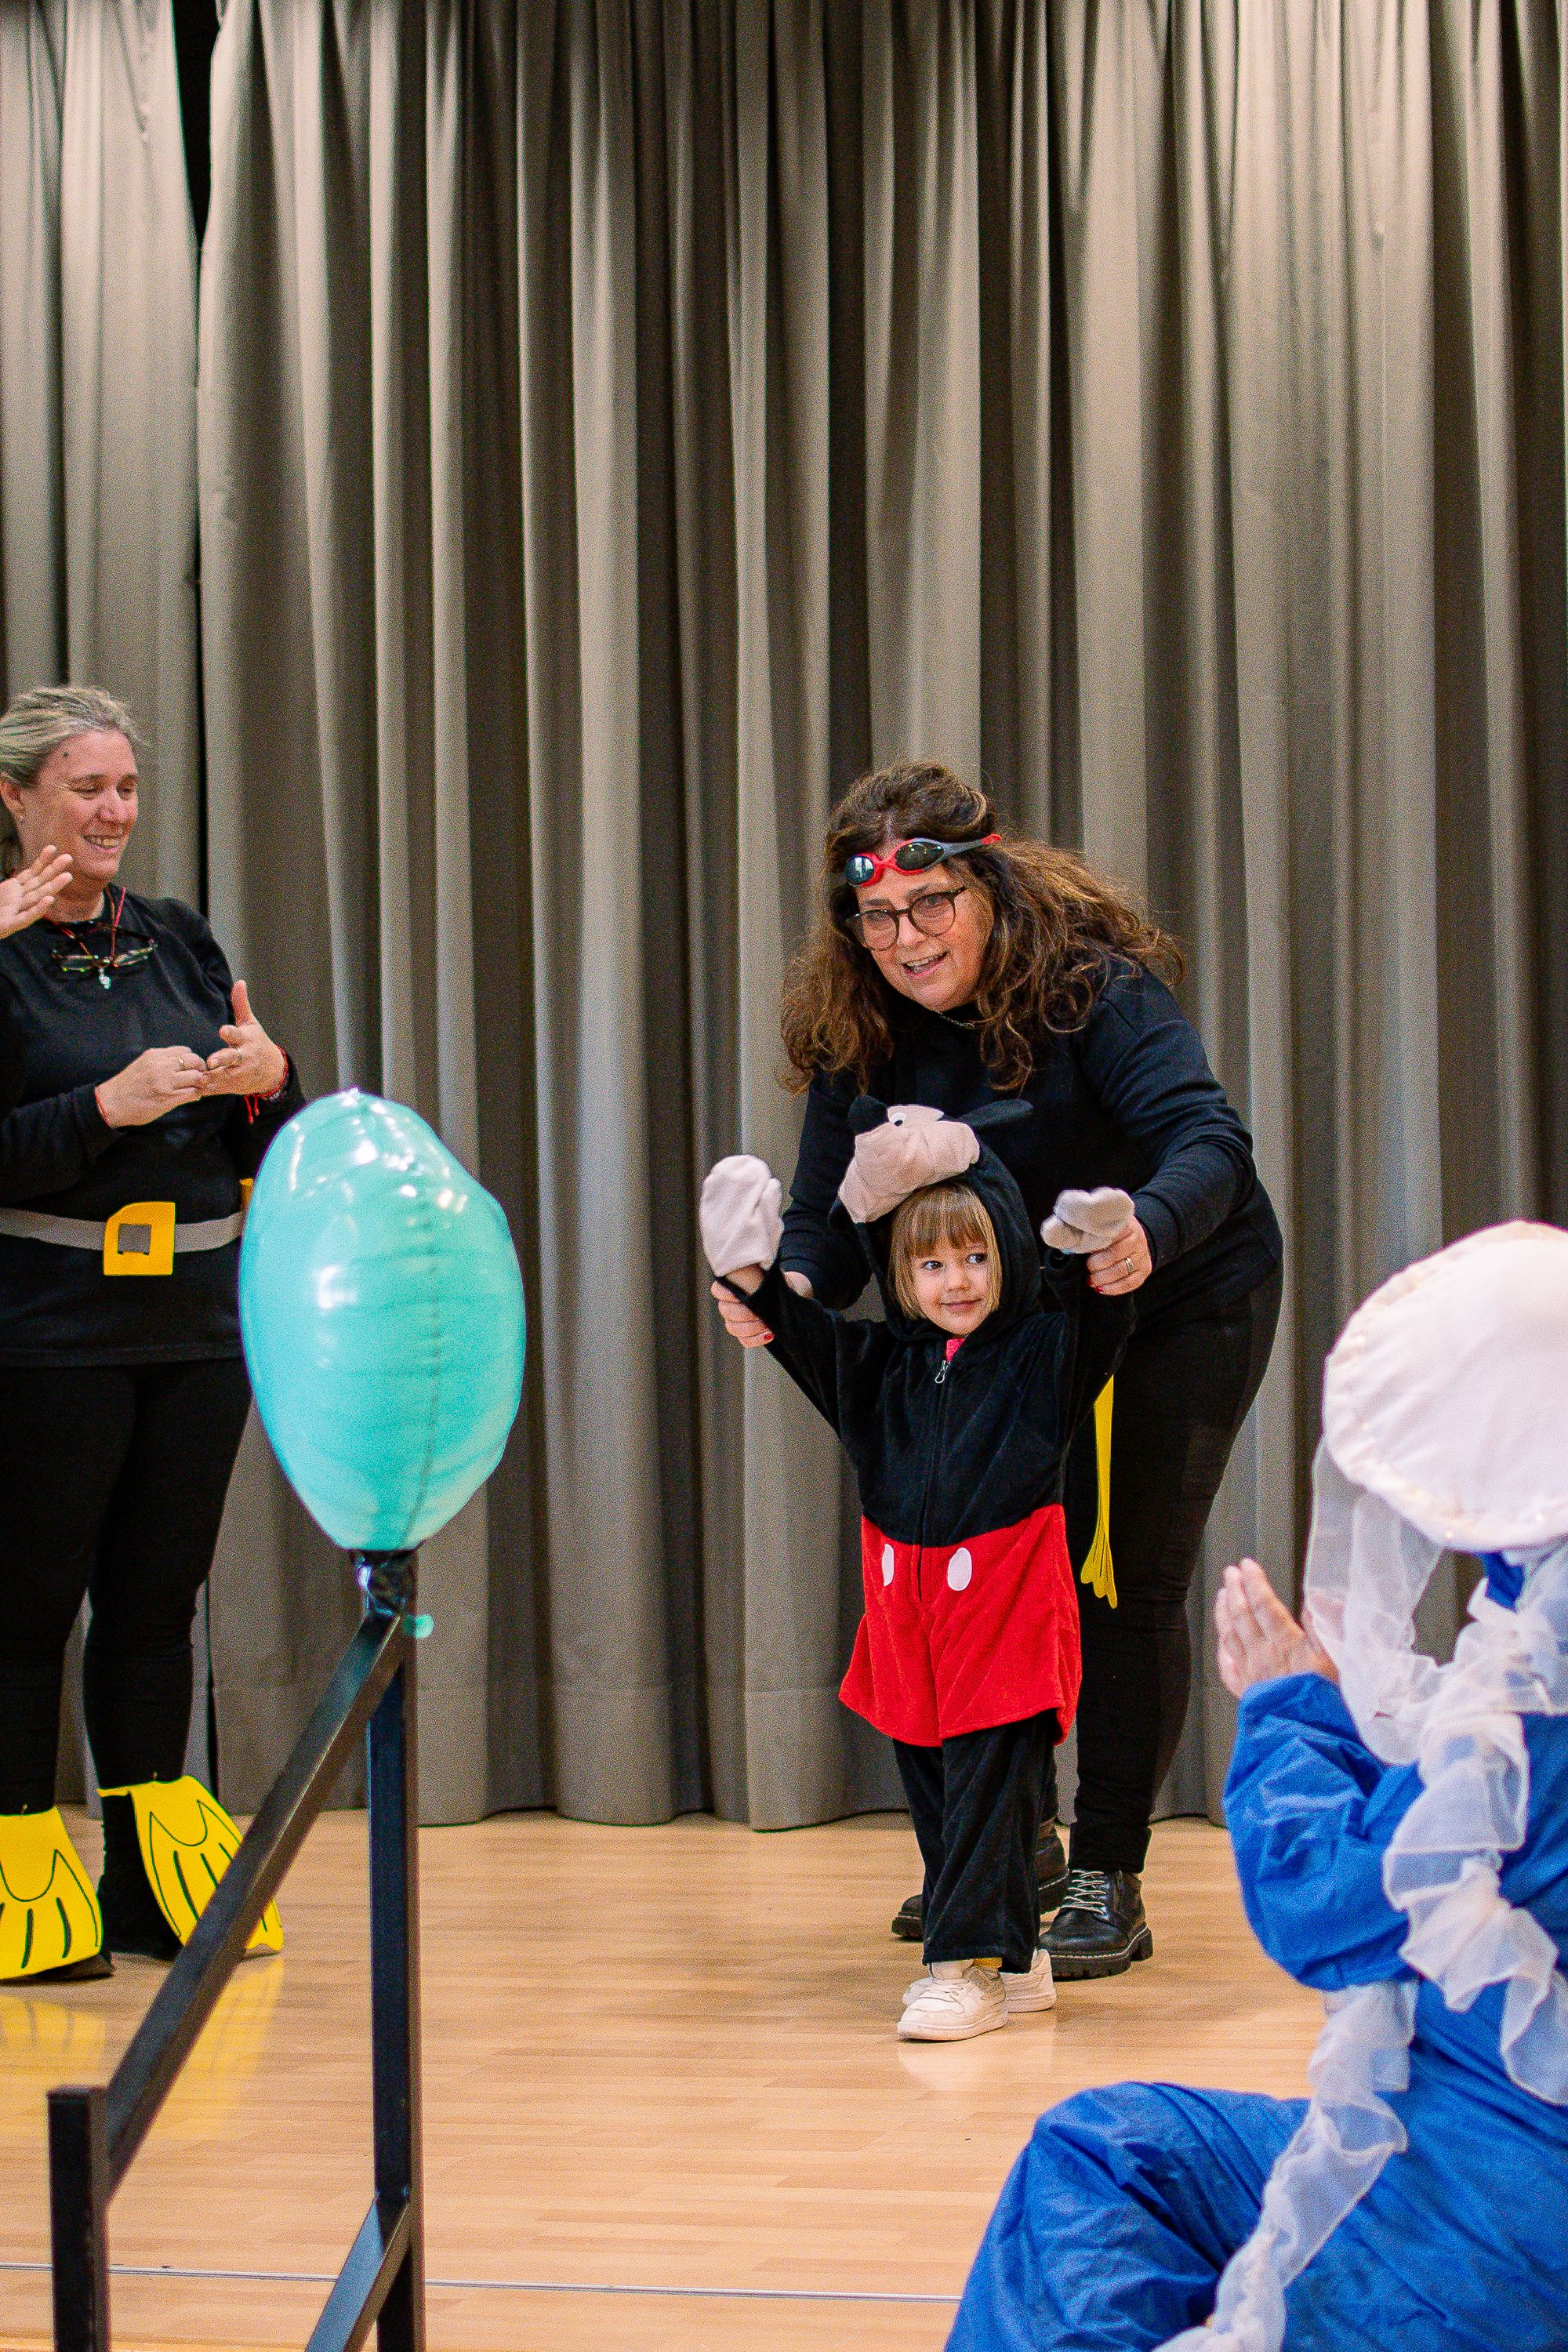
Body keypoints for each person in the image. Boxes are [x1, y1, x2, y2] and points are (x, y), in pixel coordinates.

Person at [949, 1219, 1568, 2351]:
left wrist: (1287, 1712)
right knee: (1115, 2149)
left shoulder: (1538, 1695)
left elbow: (1325, 1907)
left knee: (1101, 2174)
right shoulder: (1538, 1630)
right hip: (1507, 2139)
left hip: (1492, 2212)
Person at [715, 760, 1283, 1979]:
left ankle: (1108, 1869)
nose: (907, 939)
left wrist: (1143, 1227)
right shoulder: (861, 1030)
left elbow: (1209, 1140)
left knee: (1114, 1570)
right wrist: (787, 1296)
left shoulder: (1092, 990)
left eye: (931, 904)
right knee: (988, 1573)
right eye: (876, 918)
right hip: (1012, 1319)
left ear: (987, 884)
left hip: (1171, 1292)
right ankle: (1004, 1850)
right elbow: (819, 1219)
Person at [701, 1098, 1132, 2040]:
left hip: (1007, 1612)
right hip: (907, 1618)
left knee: (985, 1788)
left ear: (1006, 1252)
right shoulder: (880, 1364)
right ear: (901, 1271)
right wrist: (753, 1280)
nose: (955, 1280)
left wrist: (1087, 1254)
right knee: (949, 1797)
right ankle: (1015, 1960)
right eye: (930, 1263)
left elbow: (1099, 1322)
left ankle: (961, 1963)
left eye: (974, 1257)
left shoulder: (1037, 1351)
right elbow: (804, 1346)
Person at [0, 685, 301, 1984]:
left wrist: (264, 1084)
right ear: (17, 800)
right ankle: (21, 1871)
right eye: (85, 788)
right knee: (25, 1611)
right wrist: (101, 1111)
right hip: (46, 1330)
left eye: (126, 787)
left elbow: (257, 1142)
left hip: (192, 1322)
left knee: (154, 1603)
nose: (114, 811)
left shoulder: (175, 936)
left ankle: (148, 1876)